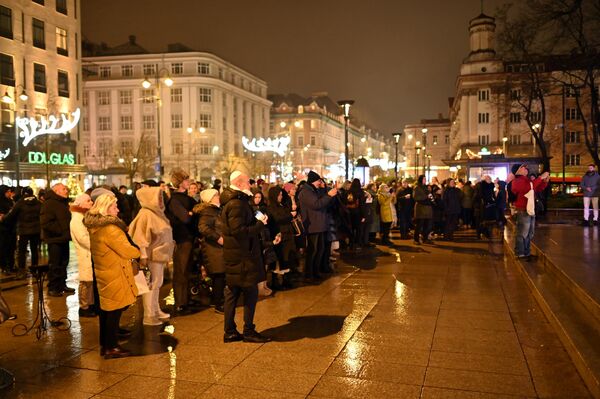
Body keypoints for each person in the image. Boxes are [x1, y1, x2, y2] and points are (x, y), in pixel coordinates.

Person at [84, 194, 140, 359]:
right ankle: (111, 347)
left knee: (107, 311)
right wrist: (138, 250)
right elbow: (129, 250)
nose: (118, 209)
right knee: (114, 312)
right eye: (115, 206)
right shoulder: (110, 228)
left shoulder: (96, 226)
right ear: (106, 208)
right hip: (115, 273)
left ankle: (106, 344)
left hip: (105, 272)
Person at [220, 171, 271, 343]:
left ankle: (230, 331)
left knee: (232, 292)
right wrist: (259, 224)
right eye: (248, 182)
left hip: (236, 254)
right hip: (242, 256)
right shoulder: (236, 204)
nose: (250, 185)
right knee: (250, 292)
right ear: (240, 183)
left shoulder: (235, 201)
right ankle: (248, 330)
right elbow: (238, 231)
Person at [129, 186, 174, 325]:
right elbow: (140, 236)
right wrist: (143, 255)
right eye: (158, 197)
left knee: (157, 283)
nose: (161, 201)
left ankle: (155, 310)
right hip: (152, 255)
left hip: (159, 255)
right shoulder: (146, 214)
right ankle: (149, 315)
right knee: (152, 283)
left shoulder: (157, 213)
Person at [166, 168, 198, 315]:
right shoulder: (175, 200)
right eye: (186, 180)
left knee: (187, 270)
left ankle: (186, 299)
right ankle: (180, 302)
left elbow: (193, 213)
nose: (188, 182)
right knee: (181, 270)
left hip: (189, 237)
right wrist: (191, 213)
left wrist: (192, 213)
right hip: (181, 239)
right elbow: (185, 218)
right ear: (180, 183)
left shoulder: (187, 199)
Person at [297, 171, 338, 283]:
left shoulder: (314, 190)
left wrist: (329, 194)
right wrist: (329, 195)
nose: (320, 182)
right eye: (319, 180)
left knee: (320, 249)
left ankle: (315, 272)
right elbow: (316, 204)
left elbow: (325, 202)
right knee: (313, 250)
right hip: (313, 225)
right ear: (313, 181)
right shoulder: (305, 192)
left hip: (319, 224)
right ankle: (309, 274)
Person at [195, 188, 226, 313]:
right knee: (219, 274)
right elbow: (203, 228)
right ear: (210, 199)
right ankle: (218, 303)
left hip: (218, 248)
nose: (219, 196)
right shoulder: (208, 211)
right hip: (214, 248)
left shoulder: (216, 209)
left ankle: (217, 300)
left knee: (221, 274)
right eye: (216, 195)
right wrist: (218, 238)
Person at [509, 164, 549, 259]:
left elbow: (537, 188)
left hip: (530, 209)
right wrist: (540, 178)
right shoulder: (516, 181)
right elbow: (527, 188)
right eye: (523, 167)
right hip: (523, 210)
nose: (526, 168)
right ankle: (520, 253)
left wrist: (544, 182)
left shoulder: (527, 180)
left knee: (529, 233)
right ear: (518, 171)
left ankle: (527, 252)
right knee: (522, 233)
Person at [40, 183, 73, 296]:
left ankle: (62, 284)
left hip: (63, 238)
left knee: (64, 262)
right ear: (56, 191)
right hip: (55, 239)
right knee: (55, 264)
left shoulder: (62, 203)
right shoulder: (49, 203)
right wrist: (61, 231)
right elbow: (46, 223)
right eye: (63, 189)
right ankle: (53, 287)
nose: (66, 190)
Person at [2, 187, 41, 278]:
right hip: (36, 230)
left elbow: (11, 215)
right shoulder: (38, 203)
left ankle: (21, 271)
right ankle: (35, 270)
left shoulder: (20, 203)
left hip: (23, 231)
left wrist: (3, 218)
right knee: (34, 250)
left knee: (22, 251)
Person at [69, 193, 95, 317]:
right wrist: (97, 245)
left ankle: (89, 304)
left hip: (89, 253)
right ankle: (84, 307)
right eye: (88, 201)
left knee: (89, 281)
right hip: (86, 254)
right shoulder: (77, 219)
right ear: (80, 204)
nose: (91, 203)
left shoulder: (83, 216)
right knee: (86, 281)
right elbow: (83, 239)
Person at [266, 186, 296, 290]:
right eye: (279, 195)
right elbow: (278, 218)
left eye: (281, 195)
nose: (281, 197)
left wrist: (290, 197)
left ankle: (286, 281)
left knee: (287, 259)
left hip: (287, 235)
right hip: (280, 235)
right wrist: (290, 216)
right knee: (279, 260)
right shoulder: (271, 207)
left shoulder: (281, 205)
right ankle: (276, 282)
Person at [0, 185, 17, 274]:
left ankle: (11, 265)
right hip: (3, 230)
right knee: (4, 248)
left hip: (12, 229)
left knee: (11, 248)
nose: (10, 193)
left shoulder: (11, 201)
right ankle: (4, 266)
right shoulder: (1, 202)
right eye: (8, 191)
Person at [413, 175, 434, 245]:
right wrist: (426, 196)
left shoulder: (426, 187)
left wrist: (432, 198)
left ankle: (425, 238)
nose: (425, 180)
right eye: (424, 179)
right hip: (420, 209)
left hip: (427, 209)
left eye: (425, 179)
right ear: (420, 179)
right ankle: (416, 239)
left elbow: (429, 195)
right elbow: (416, 197)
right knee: (419, 225)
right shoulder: (417, 187)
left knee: (426, 225)